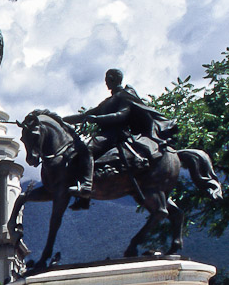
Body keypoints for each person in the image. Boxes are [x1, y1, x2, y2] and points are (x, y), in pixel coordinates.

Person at [62, 68, 175, 209]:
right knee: (75, 152)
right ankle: (82, 197)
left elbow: (121, 115)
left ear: (113, 78)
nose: (105, 83)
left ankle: (86, 187)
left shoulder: (124, 96)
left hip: (116, 134)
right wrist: (60, 120)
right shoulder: (108, 101)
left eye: (107, 79)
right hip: (105, 134)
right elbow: (84, 115)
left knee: (86, 147)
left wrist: (97, 119)